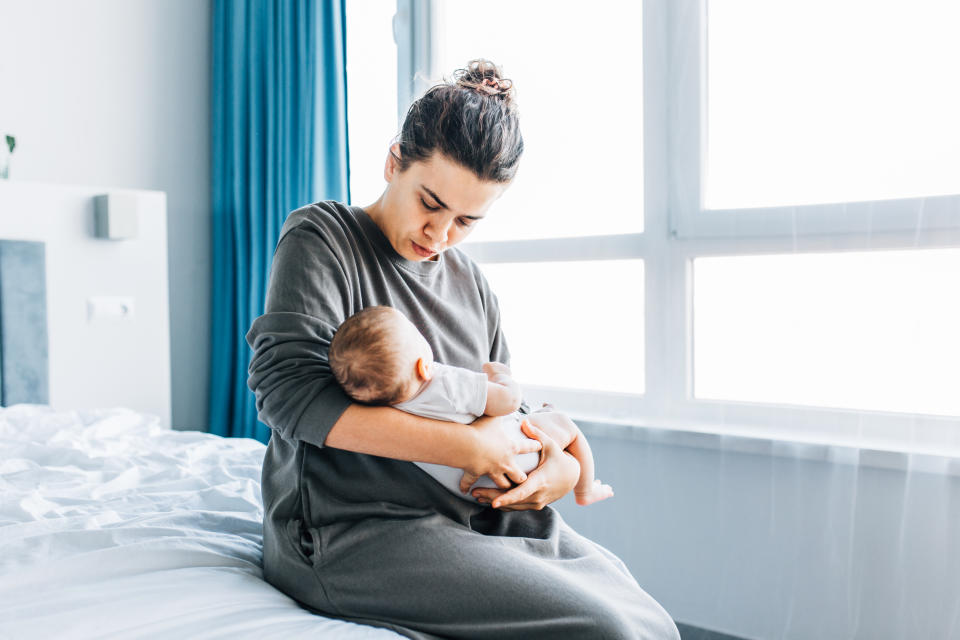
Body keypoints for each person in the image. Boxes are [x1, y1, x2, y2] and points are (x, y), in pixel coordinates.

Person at [246, 59, 680, 639]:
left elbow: (500, 409)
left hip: (475, 515)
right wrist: (467, 447)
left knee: (648, 619)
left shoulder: (472, 285)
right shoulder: (325, 237)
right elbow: (287, 394)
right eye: (429, 204)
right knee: (607, 631)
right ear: (393, 161)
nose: (440, 235)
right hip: (353, 531)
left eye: (467, 221)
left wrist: (563, 466)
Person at [327, 304, 615, 506]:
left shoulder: (385, 409)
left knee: (539, 417)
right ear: (422, 366)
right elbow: (508, 402)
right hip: (518, 458)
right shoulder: (444, 382)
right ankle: (586, 489)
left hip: (468, 487)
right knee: (563, 423)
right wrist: (502, 377)